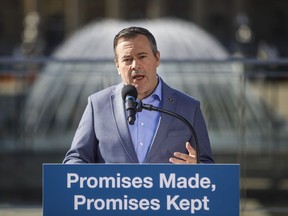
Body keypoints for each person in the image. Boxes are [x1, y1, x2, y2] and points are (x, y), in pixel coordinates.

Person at [63, 26, 214, 164]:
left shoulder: (188, 107)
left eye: (142, 56)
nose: (135, 65)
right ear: (117, 66)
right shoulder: (97, 105)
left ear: (157, 59)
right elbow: (75, 158)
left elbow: (208, 166)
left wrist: (197, 168)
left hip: (168, 194)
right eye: (127, 59)